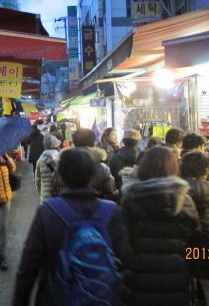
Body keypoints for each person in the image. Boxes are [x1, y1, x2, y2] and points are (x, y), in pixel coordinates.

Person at [13, 148, 127, 305]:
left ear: (59, 177)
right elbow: (125, 263)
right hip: (102, 298)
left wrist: (20, 300)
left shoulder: (48, 211)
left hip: (56, 298)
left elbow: (28, 266)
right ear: (93, 176)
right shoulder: (111, 211)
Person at [121, 147, 203, 306]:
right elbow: (197, 244)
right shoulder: (185, 202)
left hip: (139, 284)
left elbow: (122, 246)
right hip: (177, 284)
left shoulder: (130, 201)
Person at [180, 151, 209, 306]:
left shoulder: (179, 188)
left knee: (186, 285)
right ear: (205, 169)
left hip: (184, 239)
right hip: (206, 240)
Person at [72, 129, 118, 201]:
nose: (116, 137)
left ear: (74, 143)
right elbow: (111, 191)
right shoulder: (102, 168)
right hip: (96, 205)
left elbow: (55, 190)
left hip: (69, 207)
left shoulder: (63, 165)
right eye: (113, 134)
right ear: (94, 144)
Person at [35, 134, 61, 203]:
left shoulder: (40, 160)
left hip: (46, 197)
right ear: (56, 145)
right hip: (60, 195)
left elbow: (37, 181)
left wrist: (41, 193)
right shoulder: (61, 158)